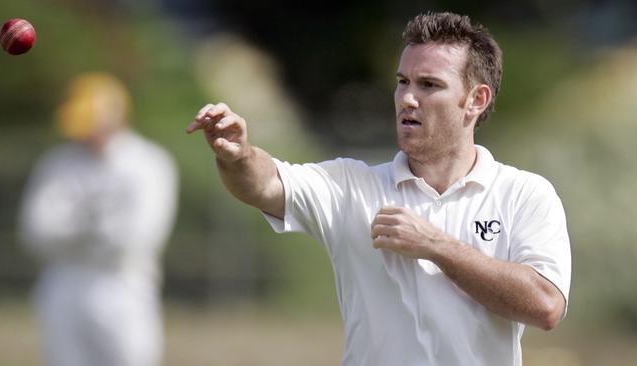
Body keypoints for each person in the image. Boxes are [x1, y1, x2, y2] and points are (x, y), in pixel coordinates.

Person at [186, 12, 570, 366]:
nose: (407, 98)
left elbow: (545, 306)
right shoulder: (351, 186)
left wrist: (437, 247)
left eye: (429, 85)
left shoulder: (524, 194)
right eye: (402, 82)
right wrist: (238, 156)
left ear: (475, 100)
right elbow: (263, 184)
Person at [19, 72, 178, 366]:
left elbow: (139, 238)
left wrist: (74, 233)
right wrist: (93, 233)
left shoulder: (148, 164)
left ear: (115, 116)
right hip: (64, 280)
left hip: (123, 285)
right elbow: (35, 230)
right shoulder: (57, 163)